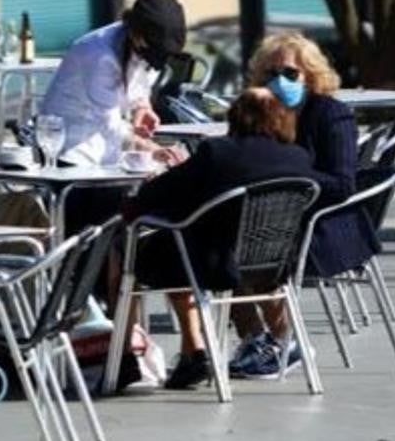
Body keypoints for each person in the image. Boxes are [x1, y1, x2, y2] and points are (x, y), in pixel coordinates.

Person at [122, 88, 318, 390]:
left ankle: (140, 355)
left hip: (214, 263)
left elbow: (152, 197)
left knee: (139, 245)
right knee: (184, 240)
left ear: (235, 115)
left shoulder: (218, 152)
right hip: (272, 263)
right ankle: (202, 350)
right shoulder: (299, 158)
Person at [225, 32, 380, 378]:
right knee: (216, 246)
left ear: (310, 76)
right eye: (270, 74)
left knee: (250, 250)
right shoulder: (260, 112)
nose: (280, 81)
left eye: (290, 73)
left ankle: (282, 342)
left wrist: (289, 180)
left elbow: (341, 184)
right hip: (268, 220)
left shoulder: (331, 114)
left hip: (323, 224)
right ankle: (256, 340)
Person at [39, 0, 189, 168]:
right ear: (137, 36)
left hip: (109, 149)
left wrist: (141, 107)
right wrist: (152, 149)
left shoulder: (143, 46)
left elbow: (139, 83)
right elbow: (108, 122)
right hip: (70, 148)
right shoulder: (98, 54)